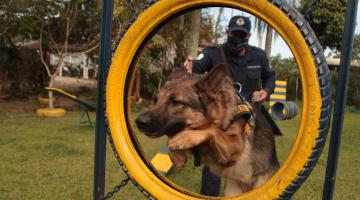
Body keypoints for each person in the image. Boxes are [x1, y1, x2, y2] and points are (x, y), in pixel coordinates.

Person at [183, 15, 276, 196]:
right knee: (215, 157)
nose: (237, 39)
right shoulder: (213, 53)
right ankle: (209, 196)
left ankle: (259, 192)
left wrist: (266, 91)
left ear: (248, 36)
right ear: (227, 32)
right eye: (234, 34)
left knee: (261, 156)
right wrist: (190, 66)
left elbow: (269, 75)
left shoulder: (258, 55)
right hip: (221, 116)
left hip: (251, 116)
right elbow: (198, 66)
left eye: (242, 35)